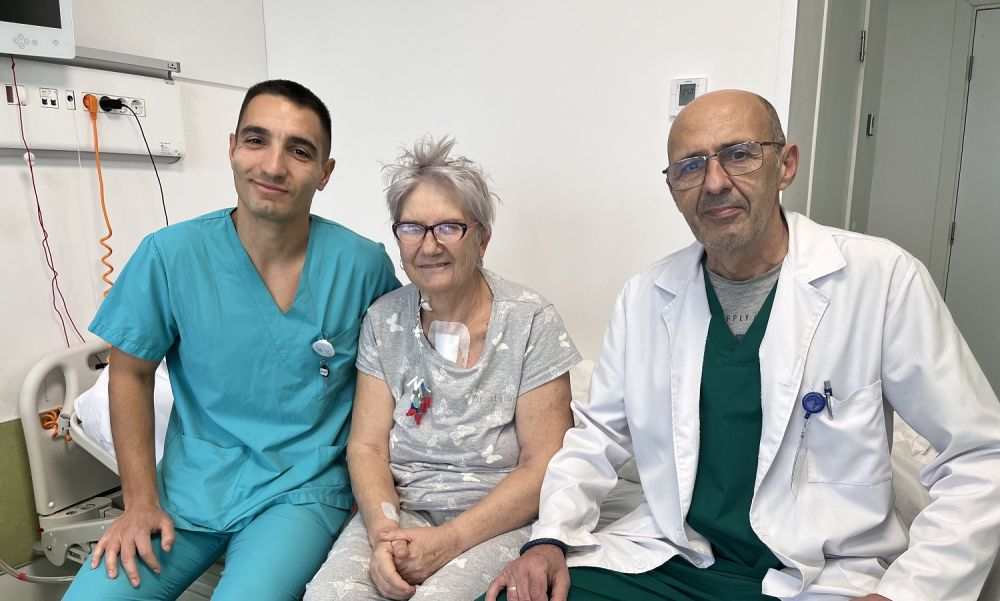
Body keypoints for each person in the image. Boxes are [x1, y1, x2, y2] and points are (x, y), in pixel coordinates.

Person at [484, 89, 1000, 601]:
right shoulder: (645, 296)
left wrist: (906, 594)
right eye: (690, 166)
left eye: (739, 155)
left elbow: (981, 456)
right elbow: (597, 437)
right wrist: (550, 537)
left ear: (785, 165)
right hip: (676, 560)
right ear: (673, 188)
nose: (714, 182)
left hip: (818, 576)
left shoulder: (881, 278)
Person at [63, 79, 399, 600]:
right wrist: (139, 502)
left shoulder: (361, 266)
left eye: (299, 151)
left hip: (301, 490)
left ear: (325, 172)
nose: (273, 166)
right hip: (189, 486)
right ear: (232, 148)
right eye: (256, 140)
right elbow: (129, 373)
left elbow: (398, 367)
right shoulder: (170, 256)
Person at [304, 135, 581, 601]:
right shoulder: (384, 320)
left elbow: (544, 463)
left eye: (449, 227)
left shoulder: (530, 320)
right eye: (412, 228)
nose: (428, 246)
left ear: (482, 239)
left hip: (496, 520)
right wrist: (384, 534)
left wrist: (449, 541)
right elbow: (367, 446)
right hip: (401, 515)